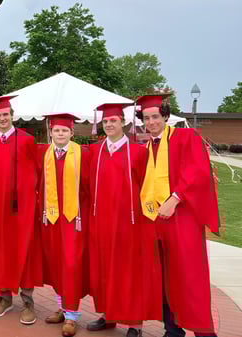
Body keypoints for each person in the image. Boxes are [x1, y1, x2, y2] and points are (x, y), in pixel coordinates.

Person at [137, 94, 220, 337]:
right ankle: (172, 329)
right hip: (155, 221)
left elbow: (199, 171)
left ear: (165, 116)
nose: (151, 122)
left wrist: (175, 198)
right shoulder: (147, 147)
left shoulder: (185, 137)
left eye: (155, 116)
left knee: (189, 276)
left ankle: (204, 332)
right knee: (162, 276)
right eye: (146, 118)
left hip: (182, 220)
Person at [87, 103, 162, 337]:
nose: (109, 125)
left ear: (124, 122)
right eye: (106, 121)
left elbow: (149, 188)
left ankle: (134, 324)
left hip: (130, 224)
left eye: (114, 121)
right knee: (104, 269)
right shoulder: (95, 152)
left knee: (129, 272)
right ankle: (107, 315)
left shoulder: (139, 152)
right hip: (101, 222)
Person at [0, 95, 43, 325]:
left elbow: (38, 171)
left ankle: (28, 302)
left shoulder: (27, 140)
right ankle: (4, 298)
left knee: (23, 250)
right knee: (1, 250)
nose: (2, 119)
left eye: (5, 115)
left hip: (22, 209)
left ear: (12, 115)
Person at [38, 113, 90, 337]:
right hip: (52, 218)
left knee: (71, 265)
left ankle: (72, 315)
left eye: (64, 131)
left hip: (74, 220)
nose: (60, 134)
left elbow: (88, 188)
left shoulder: (82, 155)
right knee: (57, 263)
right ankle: (62, 306)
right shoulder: (46, 155)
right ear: (51, 132)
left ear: (72, 133)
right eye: (57, 130)